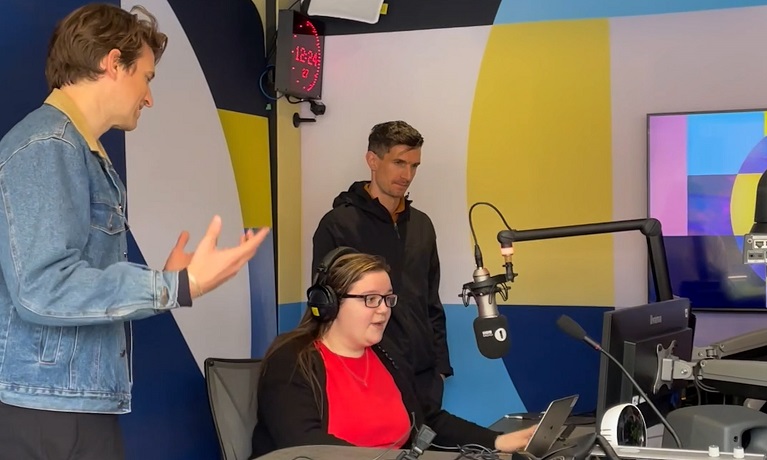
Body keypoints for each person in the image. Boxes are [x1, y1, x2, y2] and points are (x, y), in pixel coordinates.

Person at [0, 4, 269, 459]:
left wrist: (170, 284)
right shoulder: (48, 147)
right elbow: (42, 288)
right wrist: (175, 285)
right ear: (111, 62)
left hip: (71, 403)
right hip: (49, 410)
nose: (149, 97)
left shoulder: (80, 151)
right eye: (145, 77)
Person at [250, 248, 535, 458]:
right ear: (329, 304)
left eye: (387, 298)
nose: (384, 309)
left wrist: (498, 441)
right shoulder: (292, 360)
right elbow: (306, 447)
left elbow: (428, 420)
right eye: (370, 299)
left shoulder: (386, 355)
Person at [312, 120, 450, 408]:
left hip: (423, 376)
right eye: (399, 162)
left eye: (414, 166)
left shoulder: (422, 225)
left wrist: (440, 367)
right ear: (372, 160)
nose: (407, 174)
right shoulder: (338, 225)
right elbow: (325, 308)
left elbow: (431, 302)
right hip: (366, 371)